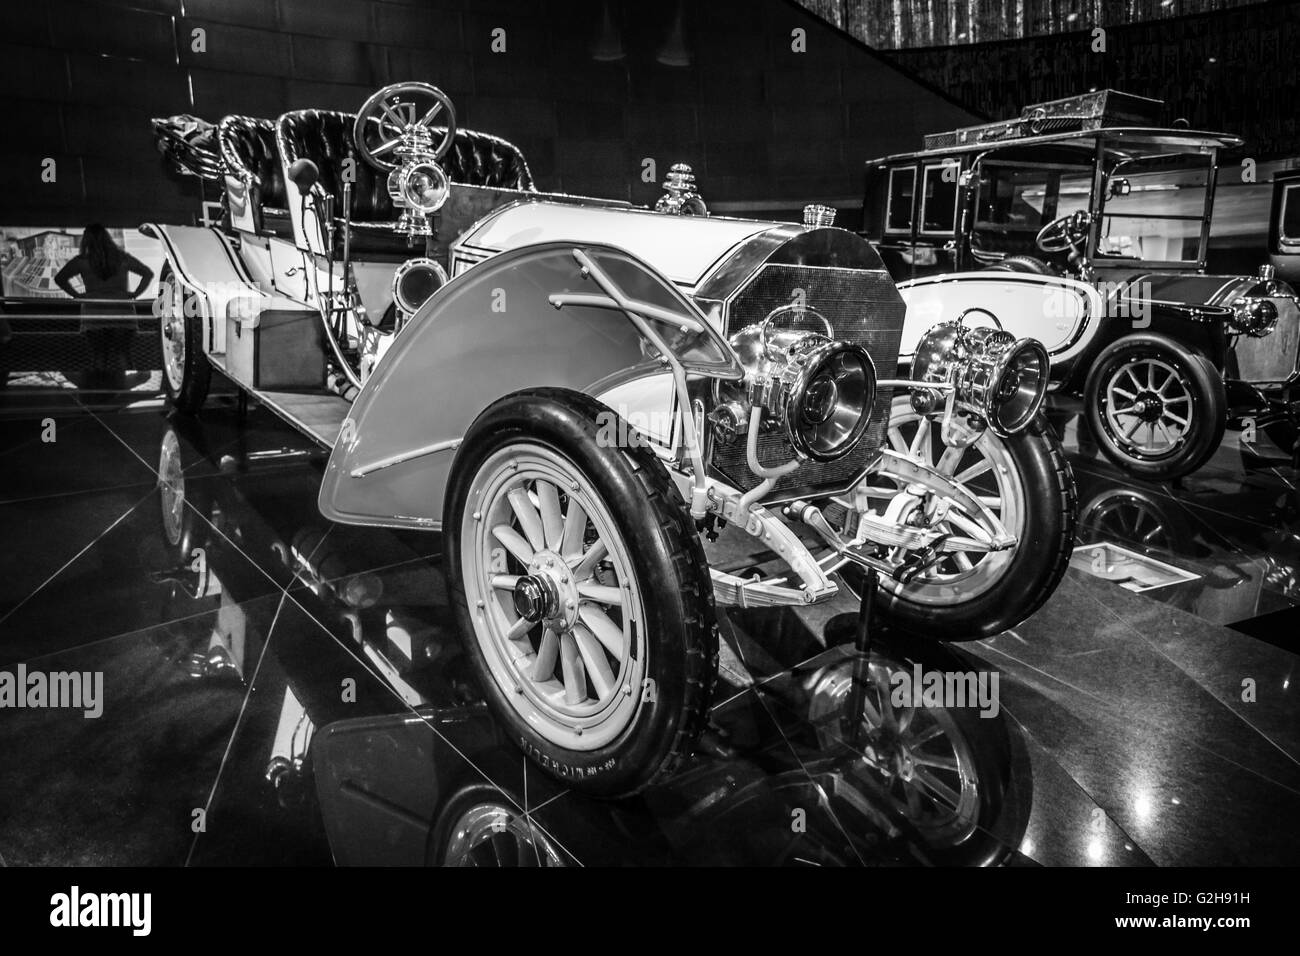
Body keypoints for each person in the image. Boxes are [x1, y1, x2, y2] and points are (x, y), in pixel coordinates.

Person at [54, 224, 153, 390]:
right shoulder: (121, 258)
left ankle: (99, 392)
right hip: (122, 313)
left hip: (94, 314)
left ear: (86, 241)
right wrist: (134, 294)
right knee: (123, 353)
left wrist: (77, 295)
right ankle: (122, 391)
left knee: (98, 355)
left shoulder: (82, 262)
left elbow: (60, 278)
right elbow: (147, 273)